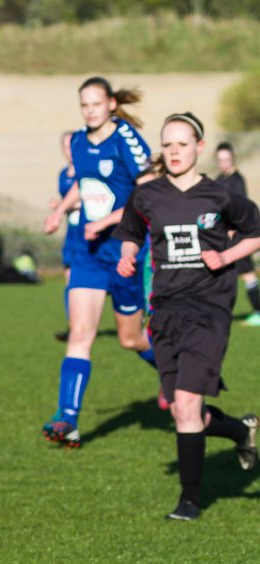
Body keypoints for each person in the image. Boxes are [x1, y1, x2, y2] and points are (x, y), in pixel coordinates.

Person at [115, 113, 260, 521]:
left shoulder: (219, 196)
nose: (175, 151)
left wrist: (226, 256)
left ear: (199, 147)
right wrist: (128, 255)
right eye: (168, 144)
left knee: (189, 402)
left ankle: (190, 501)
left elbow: (255, 231)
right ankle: (238, 430)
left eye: (182, 144)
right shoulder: (147, 195)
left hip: (209, 308)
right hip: (166, 309)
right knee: (183, 410)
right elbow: (129, 232)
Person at [43, 77, 157, 448]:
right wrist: (60, 210)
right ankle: (68, 420)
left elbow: (147, 194)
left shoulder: (127, 141)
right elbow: (84, 184)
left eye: (96, 103)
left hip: (124, 253)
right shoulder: (78, 141)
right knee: (80, 333)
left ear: (110, 103)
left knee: (130, 338)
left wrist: (108, 222)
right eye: (84, 105)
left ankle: (175, 374)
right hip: (89, 254)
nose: (90, 110)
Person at [214, 141, 260, 326]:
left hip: (238, 234)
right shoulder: (219, 180)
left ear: (232, 158)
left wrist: (233, 229)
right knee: (222, 273)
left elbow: (239, 207)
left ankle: (258, 312)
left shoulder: (237, 181)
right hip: (223, 233)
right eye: (220, 160)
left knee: (247, 272)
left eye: (227, 159)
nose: (224, 163)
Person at [54, 129, 84, 341]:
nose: (69, 150)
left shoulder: (88, 170)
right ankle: (74, 326)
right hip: (72, 233)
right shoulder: (63, 175)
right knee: (69, 279)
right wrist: (59, 206)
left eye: (72, 145)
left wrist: (68, 205)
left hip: (90, 231)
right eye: (66, 146)